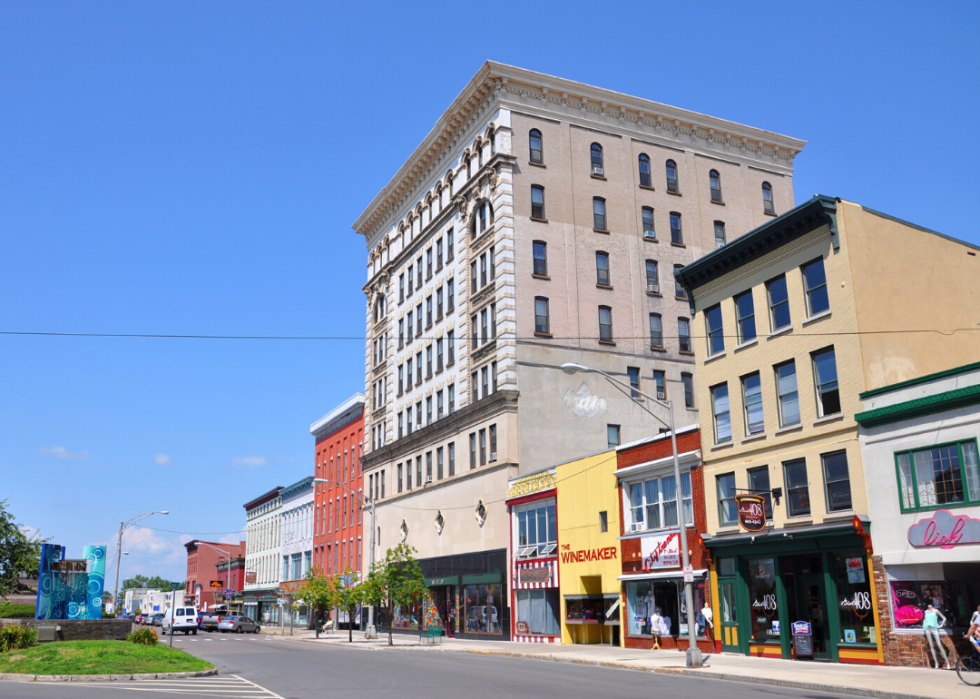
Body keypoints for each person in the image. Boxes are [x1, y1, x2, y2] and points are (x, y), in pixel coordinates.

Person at [923, 604, 950, 670]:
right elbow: (925, 620)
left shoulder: (935, 611)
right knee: (931, 646)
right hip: (927, 629)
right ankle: (936, 663)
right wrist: (924, 626)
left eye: (930, 605)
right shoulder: (926, 612)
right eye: (928, 605)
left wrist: (941, 625)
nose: (929, 606)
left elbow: (944, 618)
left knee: (939, 645)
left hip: (934, 628)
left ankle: (947, 663)